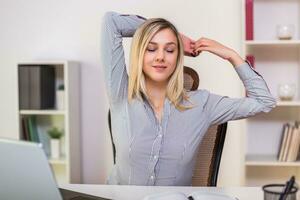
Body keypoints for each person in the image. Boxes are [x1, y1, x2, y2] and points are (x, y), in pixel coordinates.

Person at [101, 11, 276, 186]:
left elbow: (264, 102)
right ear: (140, 53)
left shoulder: (201, 104)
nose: (160, 56)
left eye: (170, 49)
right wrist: (177, 36)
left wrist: (231, 56)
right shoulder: (121, 93)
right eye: (151, 48)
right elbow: (112, 22)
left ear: (178, 57)